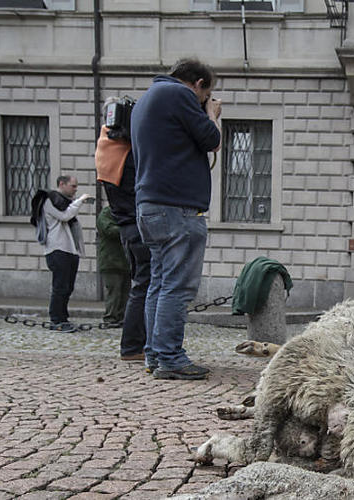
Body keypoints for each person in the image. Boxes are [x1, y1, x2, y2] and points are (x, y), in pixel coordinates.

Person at [130, 58, 222, 380]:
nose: (204, 100)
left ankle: (155, 355)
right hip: (177, 207)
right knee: (177, 287)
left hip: (151, 205)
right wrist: (211, 114)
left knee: (158, 283)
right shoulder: (179, 96)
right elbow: (212, 140)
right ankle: (170, 357)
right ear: (198, 84)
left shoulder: (146, 100)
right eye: (206, 94)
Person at [96, 98, 152, 363]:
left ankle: (134, 345)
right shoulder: (126, 155)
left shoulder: (107, 151)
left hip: (128, 227)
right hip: (137, 226)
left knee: (141, 284)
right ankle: (132, 346)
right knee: (145, 285)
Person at [41, 175, 93, 333]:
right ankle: (56, 319)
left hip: (70, 249)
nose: (75, 189)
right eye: (73, 186)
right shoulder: (50, 200)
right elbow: (65, 215)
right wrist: (79, 201)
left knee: (67, 287)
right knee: (60, 286)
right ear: (61, 184)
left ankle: (63, 317)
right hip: (57, 249)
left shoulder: (64, 201)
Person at [95, 206, 129, 327]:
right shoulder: (107, 213)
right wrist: (127, 229)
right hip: (110, 261)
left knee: (125, 292)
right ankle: (110, 318)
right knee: (114, 291)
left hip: (125, 262)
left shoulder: (126, 211)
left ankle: (121, 317)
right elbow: (109, 230)